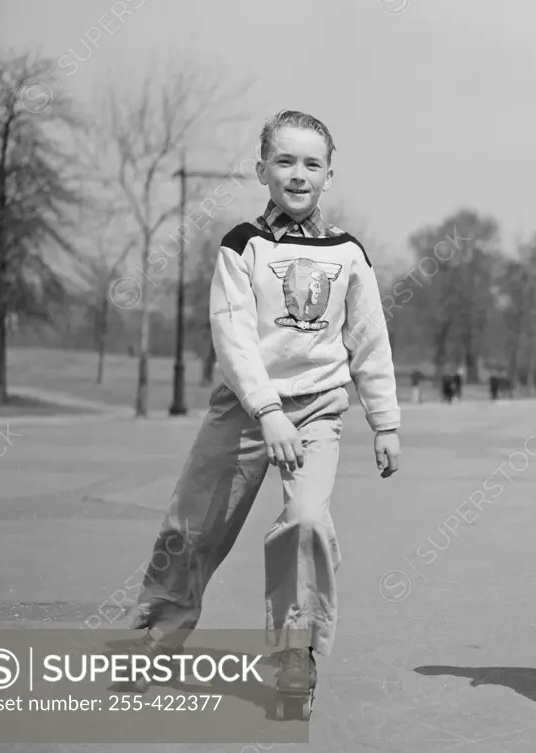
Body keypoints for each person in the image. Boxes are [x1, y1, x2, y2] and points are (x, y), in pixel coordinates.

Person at [123, 110, 401, 718]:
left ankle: (295, 652)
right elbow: (233, 336)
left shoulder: (348, 253)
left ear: (329, 175)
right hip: (247, 410)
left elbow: (368, 339)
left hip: (320, 410)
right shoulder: (241, 245)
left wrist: (385, 422)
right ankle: (155, 639)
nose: (298, 175)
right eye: (284, 161)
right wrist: (266, 410)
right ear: (261, 171)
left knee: (305, 521)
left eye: (311, 164)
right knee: (194, 527)